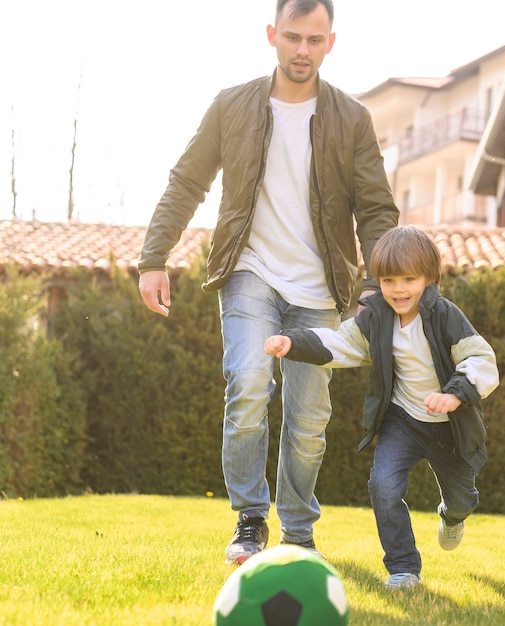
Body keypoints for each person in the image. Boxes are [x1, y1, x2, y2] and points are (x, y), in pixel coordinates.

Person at [138, 0, 398, 565]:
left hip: (321, 288)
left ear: (331, 42)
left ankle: (299, 533)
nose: (302, 49)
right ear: (271, 36)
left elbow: (376, 208)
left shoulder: (352, 119)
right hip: (249, 272)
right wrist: (153, 257)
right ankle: (251, 518)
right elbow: (187, 181)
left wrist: (378, 283)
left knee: (308, 420)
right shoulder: (232, 106)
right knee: (249, 381)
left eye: (314, 38)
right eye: (292, 36)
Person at [264, 225, 499, 589]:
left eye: (409, 279)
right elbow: (341, 343)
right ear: (378, 282)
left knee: (462, 499)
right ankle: (404, 569)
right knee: (383, 486)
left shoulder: (445, 316)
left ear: (429, 278)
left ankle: (452, 517)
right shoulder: (376, 318)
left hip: (448, 426)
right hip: (401, 421)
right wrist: (292, 342)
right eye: (389, 280)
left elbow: (481, 359)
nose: (399, 290)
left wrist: (453, 395)